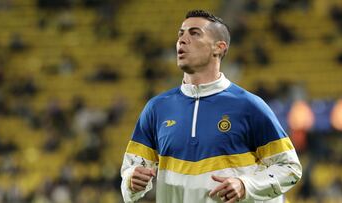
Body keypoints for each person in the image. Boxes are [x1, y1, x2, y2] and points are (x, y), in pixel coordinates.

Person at [120, 10, 302, 203]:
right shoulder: (156, 108)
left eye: (194, 33)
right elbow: (130, 170)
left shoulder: (249, 106)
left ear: (219, 47)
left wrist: (245, 185)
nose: (182, 40)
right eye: (180, 34)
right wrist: (132, 180)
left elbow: (289, 167)